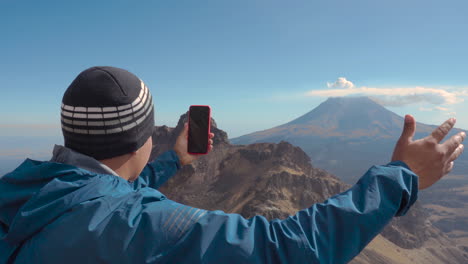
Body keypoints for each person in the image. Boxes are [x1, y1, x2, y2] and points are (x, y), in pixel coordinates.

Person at [0, 66, 465, 264]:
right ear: (144, 136)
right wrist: (400, 178)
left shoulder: (24, 191)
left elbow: (106, 194)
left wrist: (173, 165)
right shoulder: (137, 229)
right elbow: (284, 250)